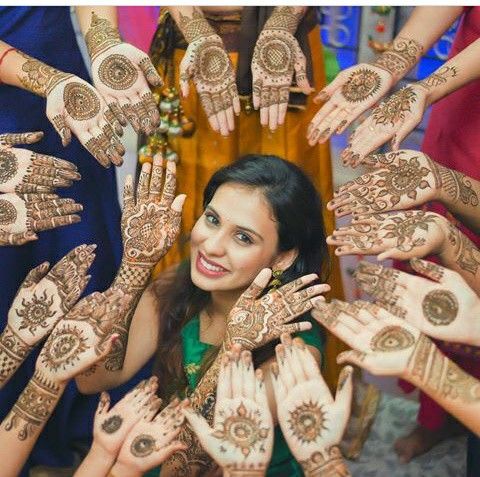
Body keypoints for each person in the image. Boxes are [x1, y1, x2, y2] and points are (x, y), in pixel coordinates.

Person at [75, 154, 332, 476]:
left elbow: (194, 462)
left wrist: (235, 346)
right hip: (158, 451)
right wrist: (134, 267)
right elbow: (94, 379)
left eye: (243, 237)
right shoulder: (180, 283)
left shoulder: (294, 352)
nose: (212, 246)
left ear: (282, 258)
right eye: (212, 219)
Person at [144, 6, 346, 389]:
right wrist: (196, 29)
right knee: (188, 210)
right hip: (189, 52)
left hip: (283, 53)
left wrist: (284, 20)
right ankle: (172, 373)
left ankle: (294, 378)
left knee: (283, 206)